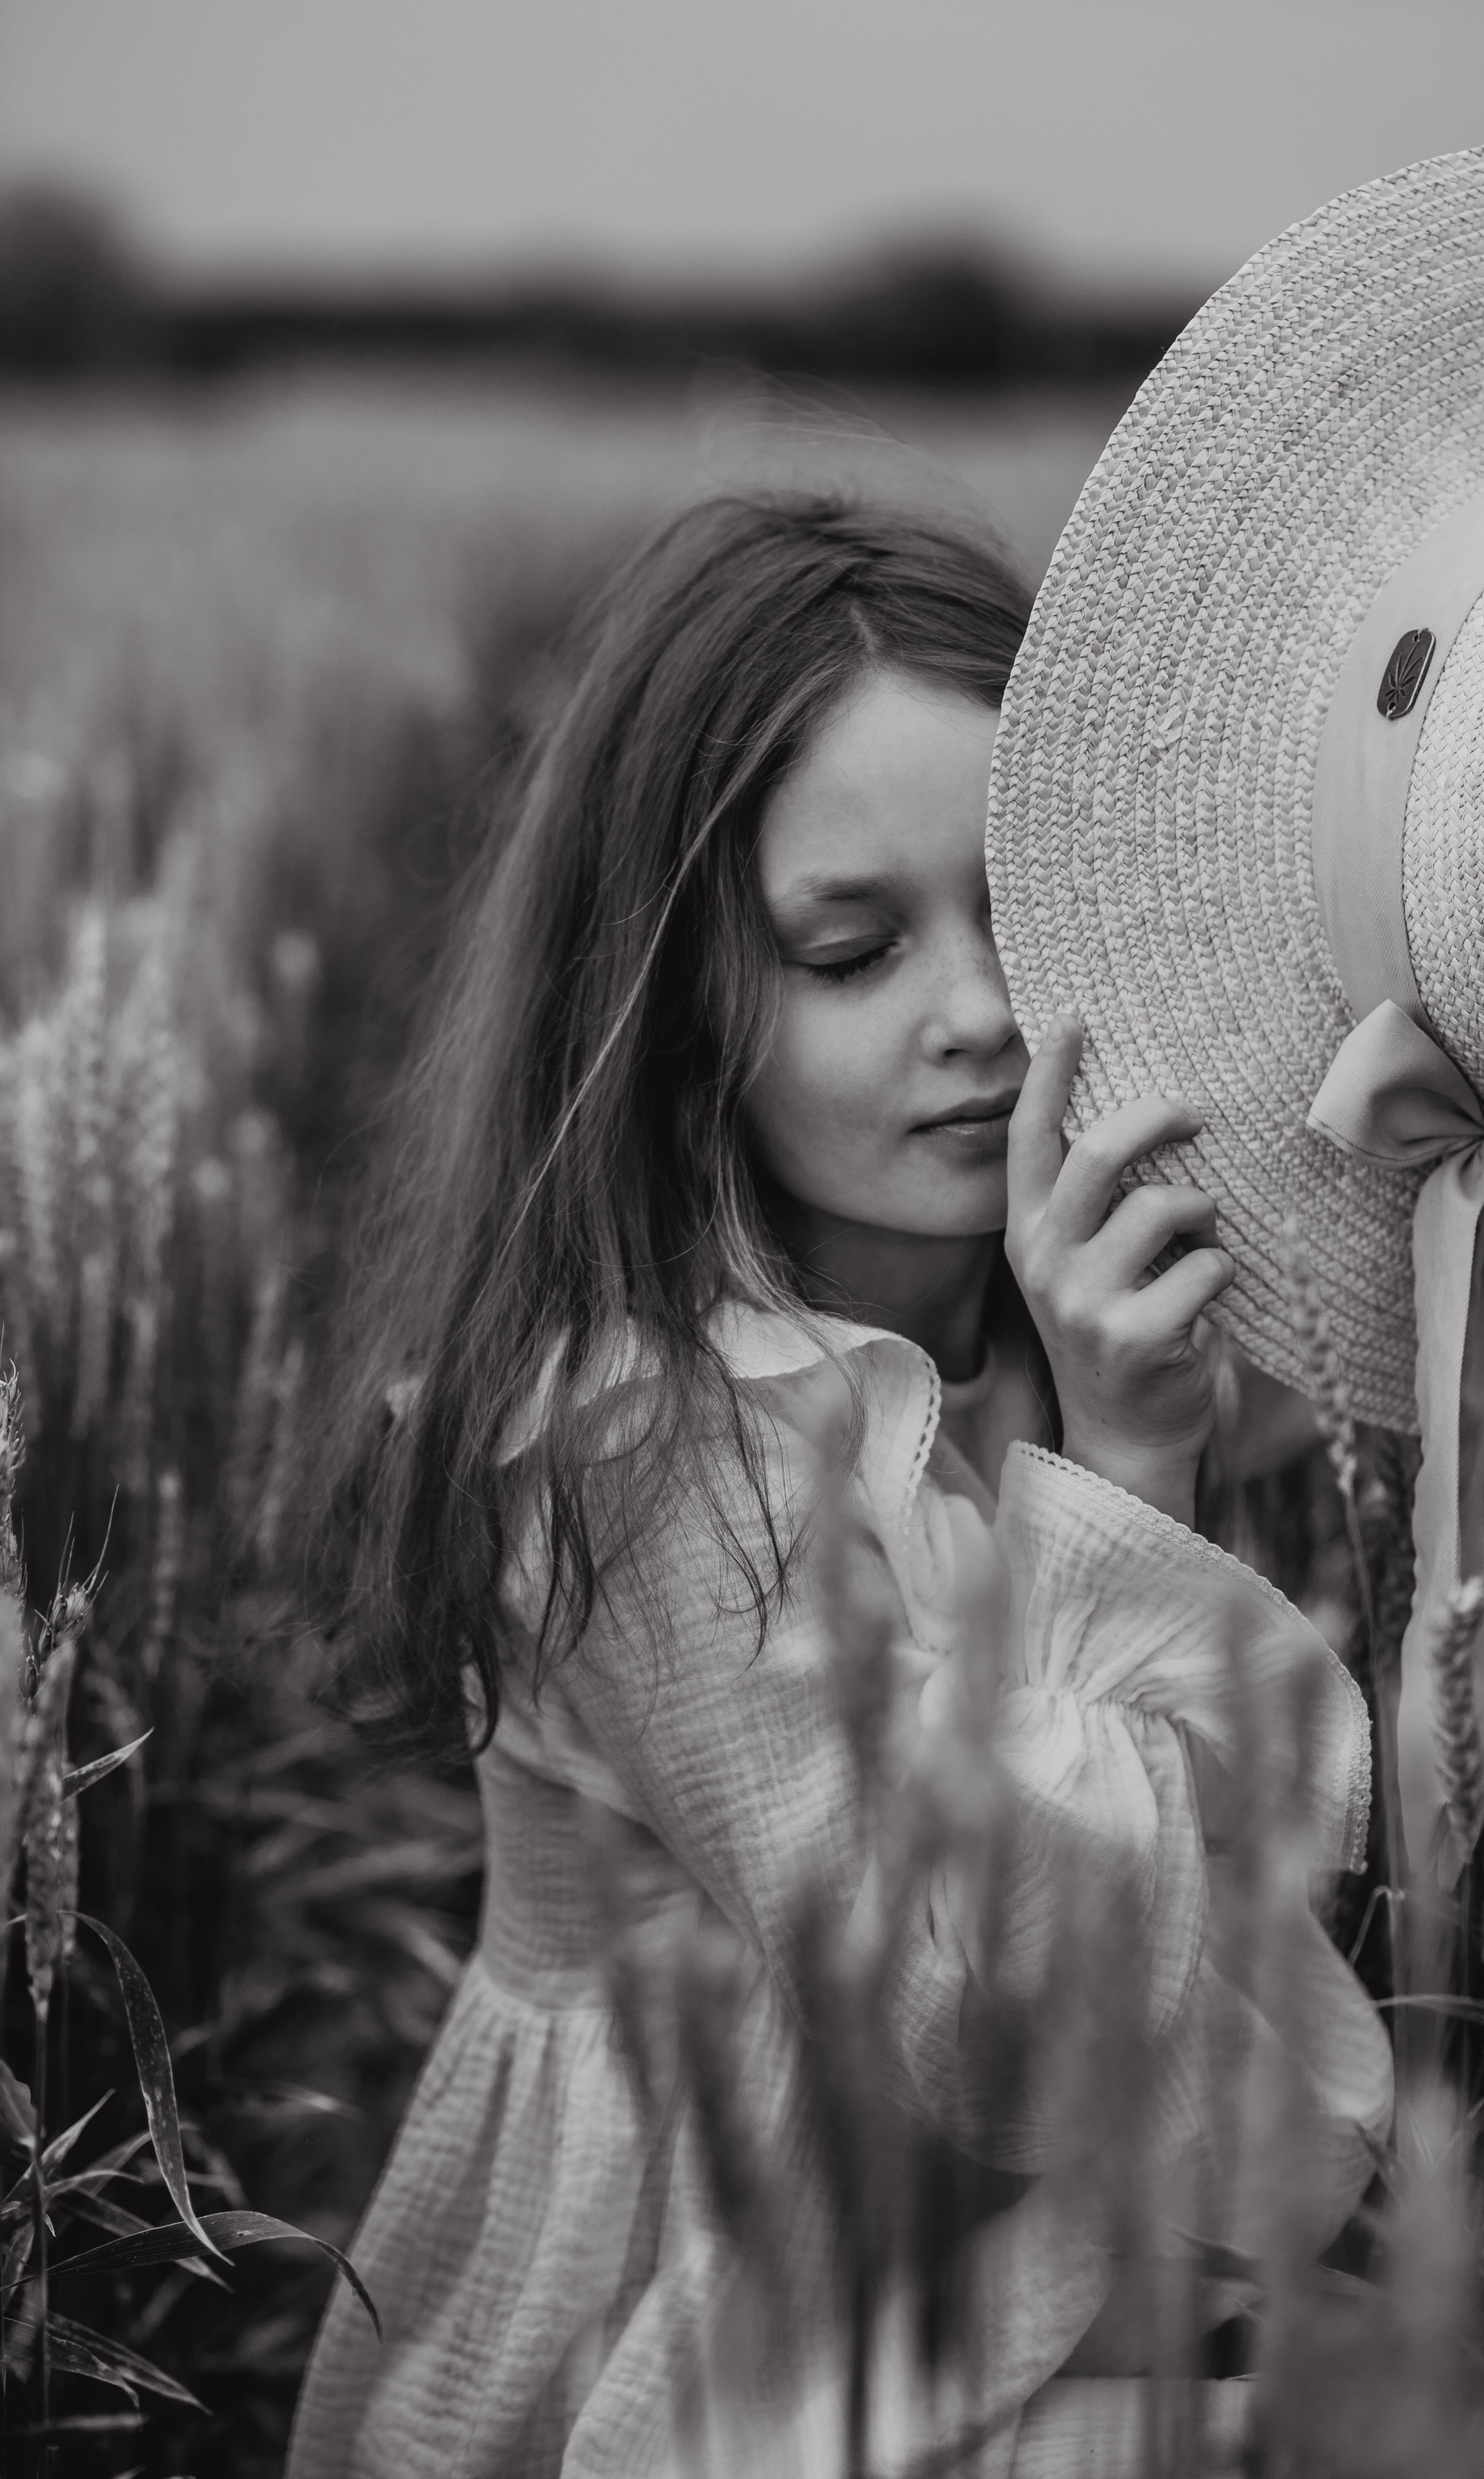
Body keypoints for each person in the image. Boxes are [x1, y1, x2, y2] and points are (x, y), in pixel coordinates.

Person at [288, 493, 1384, 2479]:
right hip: (733, 2341)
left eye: (1019, 906)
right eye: (854, 949)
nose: (979, 1013)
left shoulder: (1035, 1311)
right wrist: (1130, 1469)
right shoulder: (639, 1450)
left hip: (1005, 2246)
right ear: (669, 1009)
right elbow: (994, 2027)